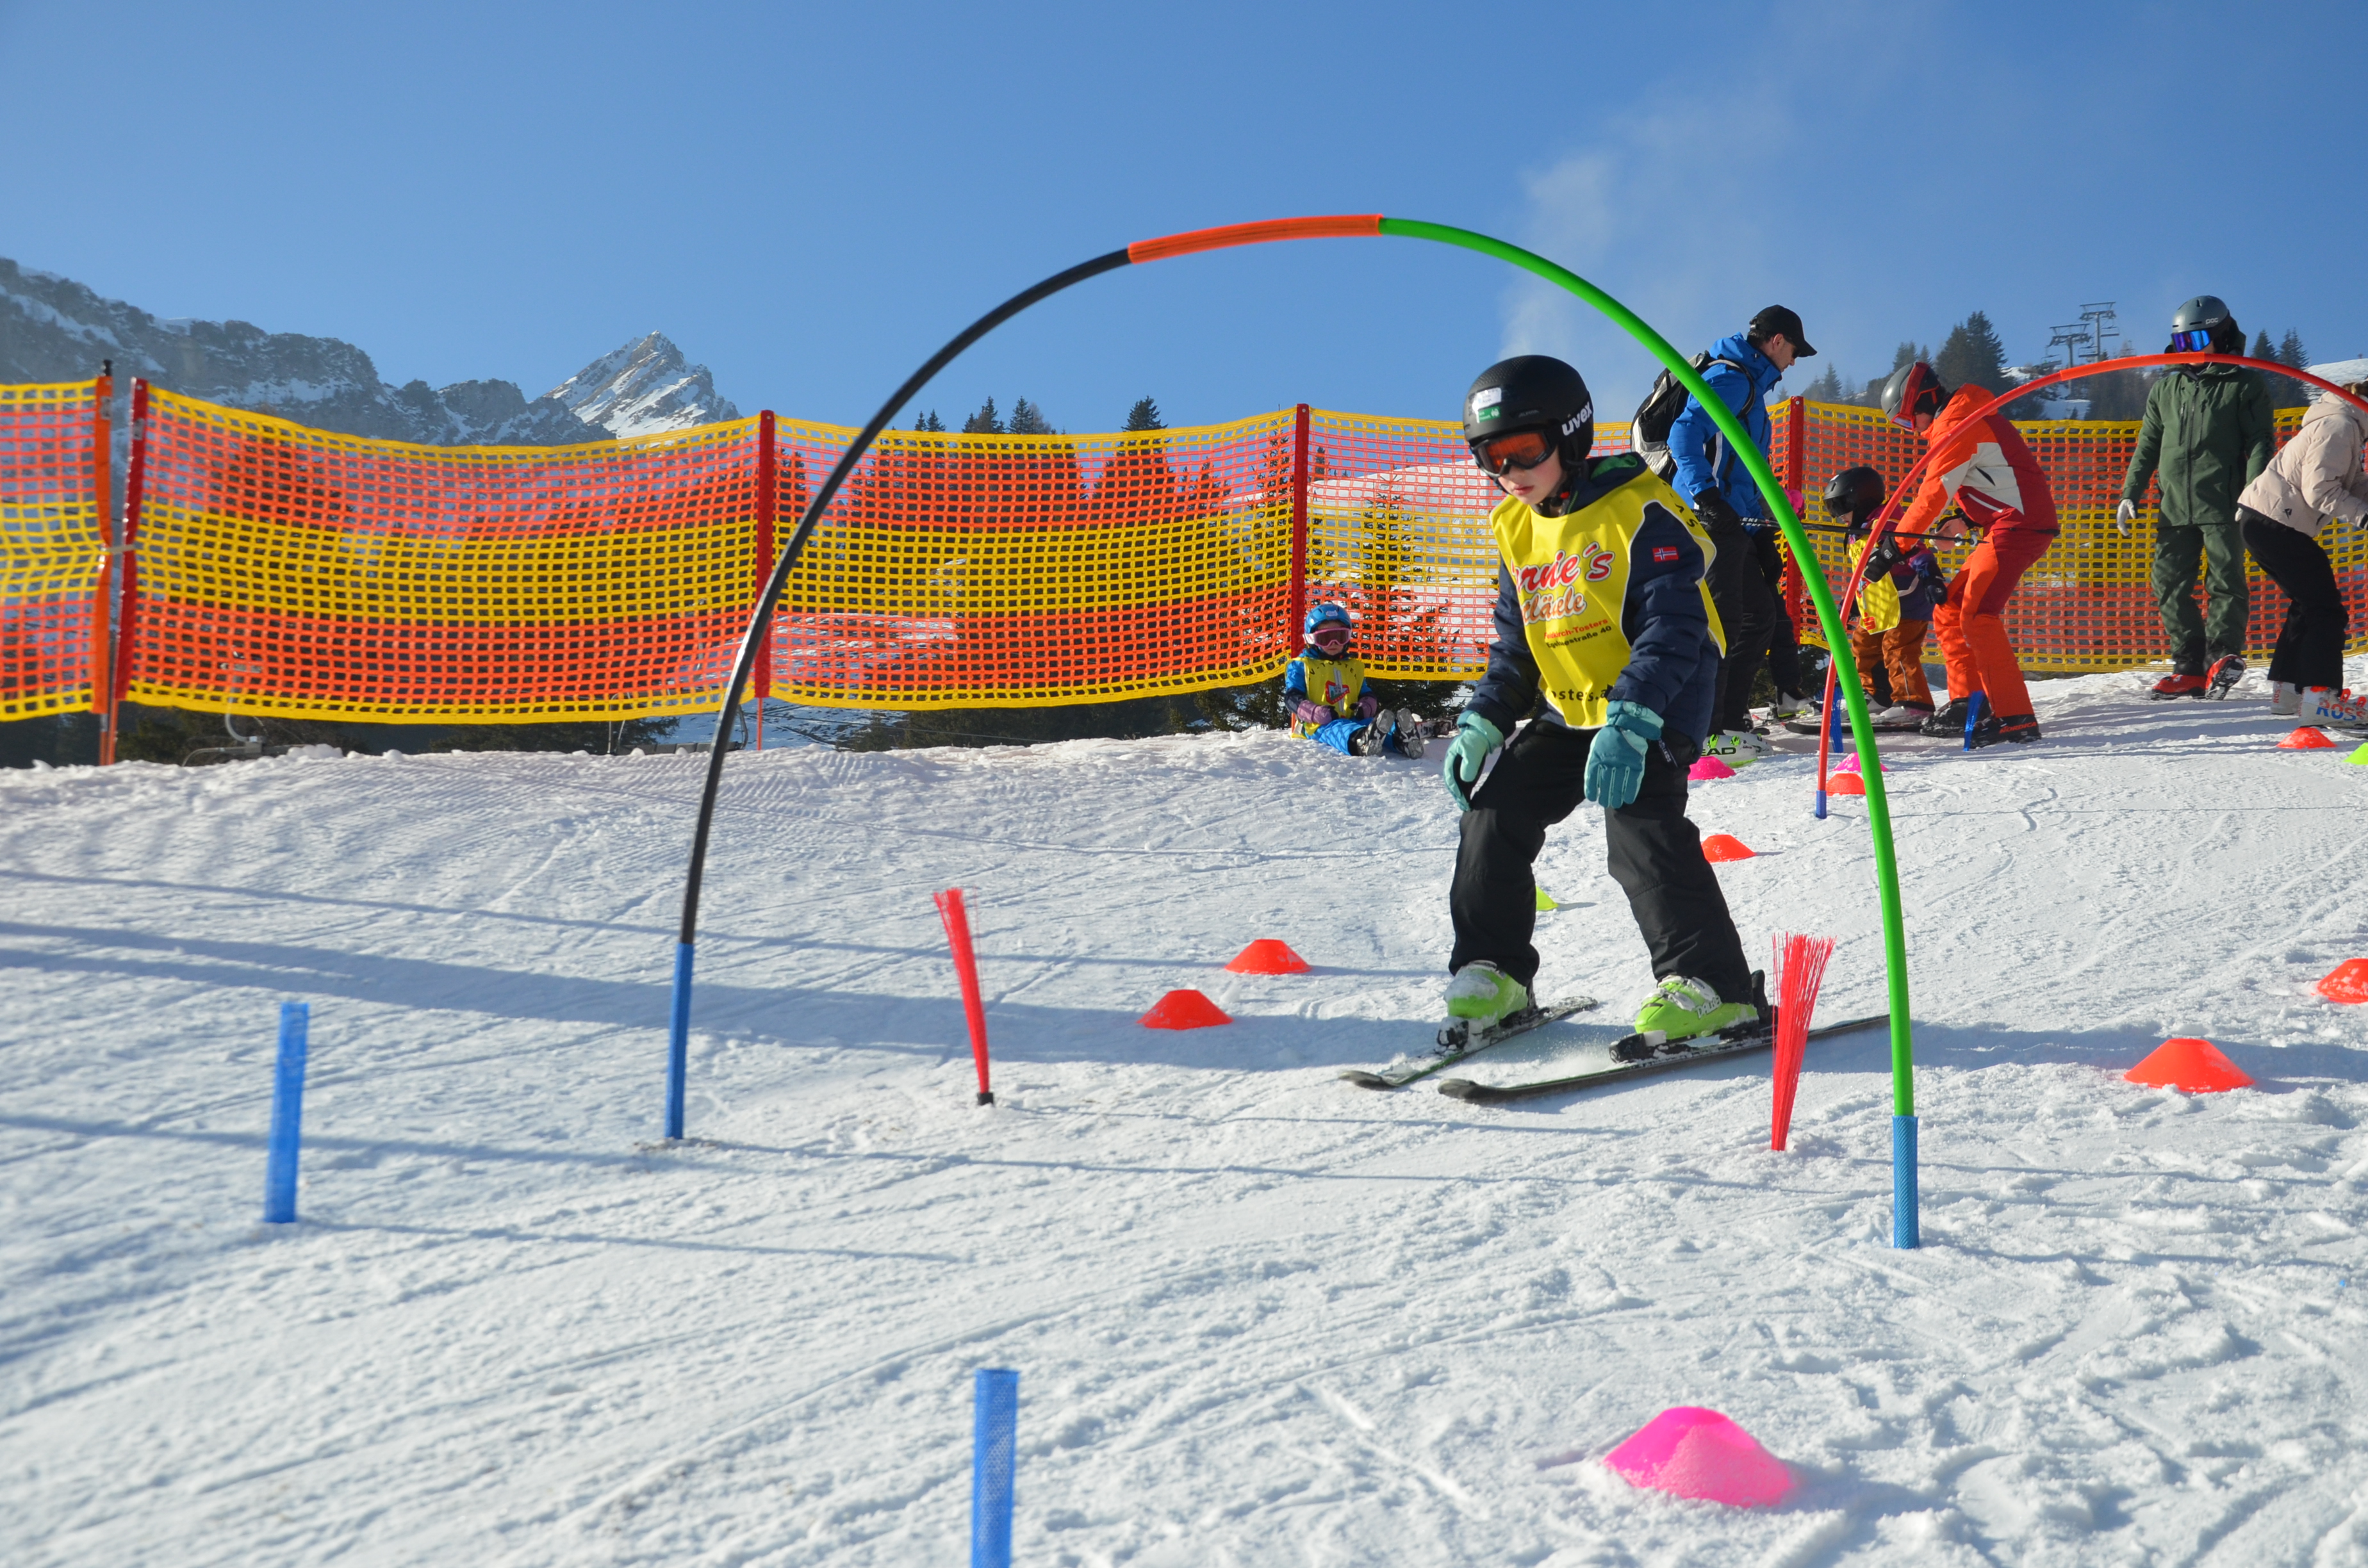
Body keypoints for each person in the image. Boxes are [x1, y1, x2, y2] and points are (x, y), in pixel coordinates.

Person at [1438, 354, 1757, 1042]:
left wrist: (1635, 718)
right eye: (1491, 457)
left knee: (1639, 827)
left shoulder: (1637, 508)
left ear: (1571, 433)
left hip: (1660, 698)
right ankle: (1495, 972)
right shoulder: (1514, 526)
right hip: (1572, 705)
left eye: (1525, 449)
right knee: (1494, 814)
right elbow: (1517, 645)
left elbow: (1674, 624)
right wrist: (1484, 718)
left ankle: (1713, 987)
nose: (1510, 471)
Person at [1667, 305, 1818, 762]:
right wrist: (1707, 497)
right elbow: (1683, 435)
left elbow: (1747, 474)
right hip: (1707, 520)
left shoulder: (1751, 387)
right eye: (1794, 351)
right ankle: (1711, 731)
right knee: (1729, 621)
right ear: (1776, 341)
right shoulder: (1732, 379)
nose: (1793, 362)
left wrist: (1761, 534)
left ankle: (1729, 722)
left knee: (1761, 615)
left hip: (1734, 522)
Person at [1881, 361, 2059, 747]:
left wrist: (1896, 545)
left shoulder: (1958, 424)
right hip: (2005, 523)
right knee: (1950, 606)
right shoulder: (1960, 420)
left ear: (1923, 401)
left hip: (2019, 525)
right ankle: (1969, 703)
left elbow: (1932, 494)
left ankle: (2014, 717)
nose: (1912, 430)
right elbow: (1997, 479)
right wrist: (1963, 520)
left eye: (1907, 420)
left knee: (1978, 614)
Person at [2116, 296, 2274, 699]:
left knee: (2225, 579)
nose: (2189, 350)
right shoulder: (2166, 389)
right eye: (2182, 342)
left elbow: (2260, 441)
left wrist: (2253, 492)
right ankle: (2188, 664)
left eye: (2198, 340)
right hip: (2174, 505)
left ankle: (2221, 657)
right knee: (2168, 582)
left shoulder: (2244, 384)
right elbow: (2148, 446)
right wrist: (2130, 493)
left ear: (2222, 336)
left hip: (2223, 501)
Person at [2234, 373, 2368, 724]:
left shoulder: (2345, 422)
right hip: (2277, 523)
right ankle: (2320, 697)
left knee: (2308, 603)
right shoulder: (2340, 426)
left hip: (2262, 521)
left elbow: (2352, 483)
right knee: (2326, 609)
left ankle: (2289, 691)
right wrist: (2364, 517)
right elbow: (2321, 491)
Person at [1825, 465, 1941, 729]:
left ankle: (1914, 703)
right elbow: (1861, 572)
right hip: (1877, 605)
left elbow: (1915, 549)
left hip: (1906, 601)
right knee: (1863, 645)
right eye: (1832, 508)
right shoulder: (1859, 531)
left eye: (1841, 506)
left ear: (1860, 500)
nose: (1838, 515)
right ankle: (1878, 696)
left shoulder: (1887, 523)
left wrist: (1930, 576)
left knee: (1898, 649)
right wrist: (1849, 605)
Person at [1285, 602, 1428, 757]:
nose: (1334, 644)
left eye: (1340, 637)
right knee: (1339, 729)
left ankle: (1401, 739)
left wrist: (1367, 706)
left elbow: (1365, 692)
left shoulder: (1353, 666)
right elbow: (1292, 698)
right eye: (1325, 638)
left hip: (1354, 719)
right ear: (1312, 639)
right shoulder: (1301, 665)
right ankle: (1361, 742)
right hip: (1319, 725)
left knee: (1372, 724)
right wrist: (1315, 712)